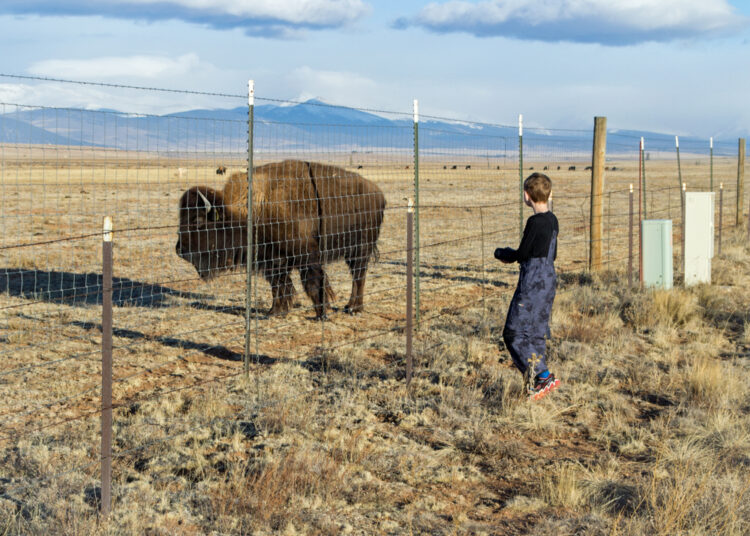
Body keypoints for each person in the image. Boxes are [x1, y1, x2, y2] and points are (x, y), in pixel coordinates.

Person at [495, 172, 560, 401]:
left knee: (513, 333)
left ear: (526, 196)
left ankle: (541, 375)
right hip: (549, 280)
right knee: (536, 332)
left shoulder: (534, 222)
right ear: (549, 194)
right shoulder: (553, 220)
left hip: (532, 282)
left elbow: (522, 254)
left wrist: (505, 254)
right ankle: (537, 384)